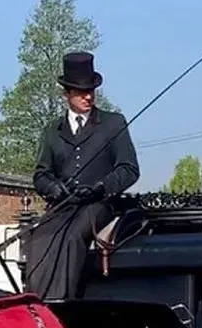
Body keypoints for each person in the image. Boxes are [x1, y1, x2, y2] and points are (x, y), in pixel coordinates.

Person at [24, 51, 140, 300]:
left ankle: (64, 301)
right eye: (80, 92)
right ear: (67, 94)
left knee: (73, 235)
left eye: (91, 91)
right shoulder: (52, 131)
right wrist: (53, 188)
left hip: (98, 203)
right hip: (63, 204)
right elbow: (41, 174)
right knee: (38, 236)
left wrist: (101, 187)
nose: (88, 96)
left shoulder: (113, 123)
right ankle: (36, 301)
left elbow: (129, 169)